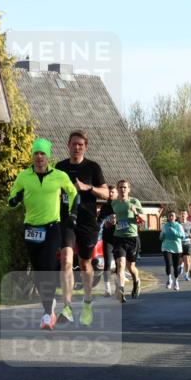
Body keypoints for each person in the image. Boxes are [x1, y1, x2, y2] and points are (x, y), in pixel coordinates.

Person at [9, 138, 77, 330]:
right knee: (38, 272)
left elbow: (74, 193)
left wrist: (72, 213)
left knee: (47, 266)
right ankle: (49, 306)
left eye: (43, 154)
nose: (39, 157)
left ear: (48, 157)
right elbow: (11, 198)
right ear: (32, 156)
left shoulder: (59, 175)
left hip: (52, 227)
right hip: (31, 229)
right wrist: (16, 199)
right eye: (36, 153)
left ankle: (47, 315)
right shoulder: (23, 176)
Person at [55, 130, 108, 327]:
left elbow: (106, 193)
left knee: (85, 264)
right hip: (66, 220)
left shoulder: (93, 167)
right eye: (74, 144)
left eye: (81, 145)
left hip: (87, 221)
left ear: (85, 147)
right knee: (66, 262)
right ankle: (66, 308)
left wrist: (88, 188)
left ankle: (87, 303)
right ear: (68, 145)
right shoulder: (60, 168)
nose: (77, 147)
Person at [110, 179, 144, 302]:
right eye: (120, 187)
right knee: (120, 265)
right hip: (118, 237)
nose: (122, 189)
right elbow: (110, 221)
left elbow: (143, 219)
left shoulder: (134, 202)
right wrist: (111, 221)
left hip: (132, 238)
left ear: (128, 189)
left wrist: (136, 213)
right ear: (117, 189)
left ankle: (137, 281)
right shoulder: (114, 204)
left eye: (125, 187)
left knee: (131, 268)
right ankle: (121, 290)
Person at [98, 186, 118, 296]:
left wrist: (117, 220)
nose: (110, 194)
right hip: (107, 237)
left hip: (119, 237)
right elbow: (99, 221)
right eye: (109, 192)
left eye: (112, 192)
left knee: (120, 263)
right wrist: (104, 222)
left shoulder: (120, 205)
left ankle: (118, 286)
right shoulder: (104, 206)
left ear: (116, 194)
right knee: (107, 263)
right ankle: (107, 289)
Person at [159, 211, 184, 291]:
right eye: (169, 216)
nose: (171, 217)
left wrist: (174, 231)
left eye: (172, 216)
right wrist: (162, 236)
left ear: (175, 217)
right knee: (168, 263)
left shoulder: (178, 226)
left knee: (176, 266)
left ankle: (176, 281)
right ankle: (169, 279)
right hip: (166, 247)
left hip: (176, 248)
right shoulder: (165, 226)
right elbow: (160, 237)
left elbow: (182, 236)